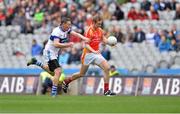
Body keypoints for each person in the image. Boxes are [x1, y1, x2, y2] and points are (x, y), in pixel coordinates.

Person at [27, 17, 89, 97]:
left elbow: (75, 34)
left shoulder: (66, 29)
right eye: (68, 25)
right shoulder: (57, 31)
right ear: (63, 24)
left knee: (53, 73)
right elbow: (56, 44)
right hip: (49, 52)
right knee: (58, 71)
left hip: (54, 53)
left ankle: (36, 62)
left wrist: (84, 38)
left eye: (70, 24)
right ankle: (53, 93)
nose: (69, 26)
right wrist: (68, 44)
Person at [62, 15, 116, 96]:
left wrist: (110, 43)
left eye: (100, 24)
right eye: (98, 24)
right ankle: (67, 81)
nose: (99, 25)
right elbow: (86, 45)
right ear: (93, 23)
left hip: (96, 54)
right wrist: (94, 51)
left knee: (107, 68)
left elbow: (103, 39)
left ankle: (106, 90)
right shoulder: (89, 31)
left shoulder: (99, 30)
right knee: (81, 74)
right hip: (87, 55)